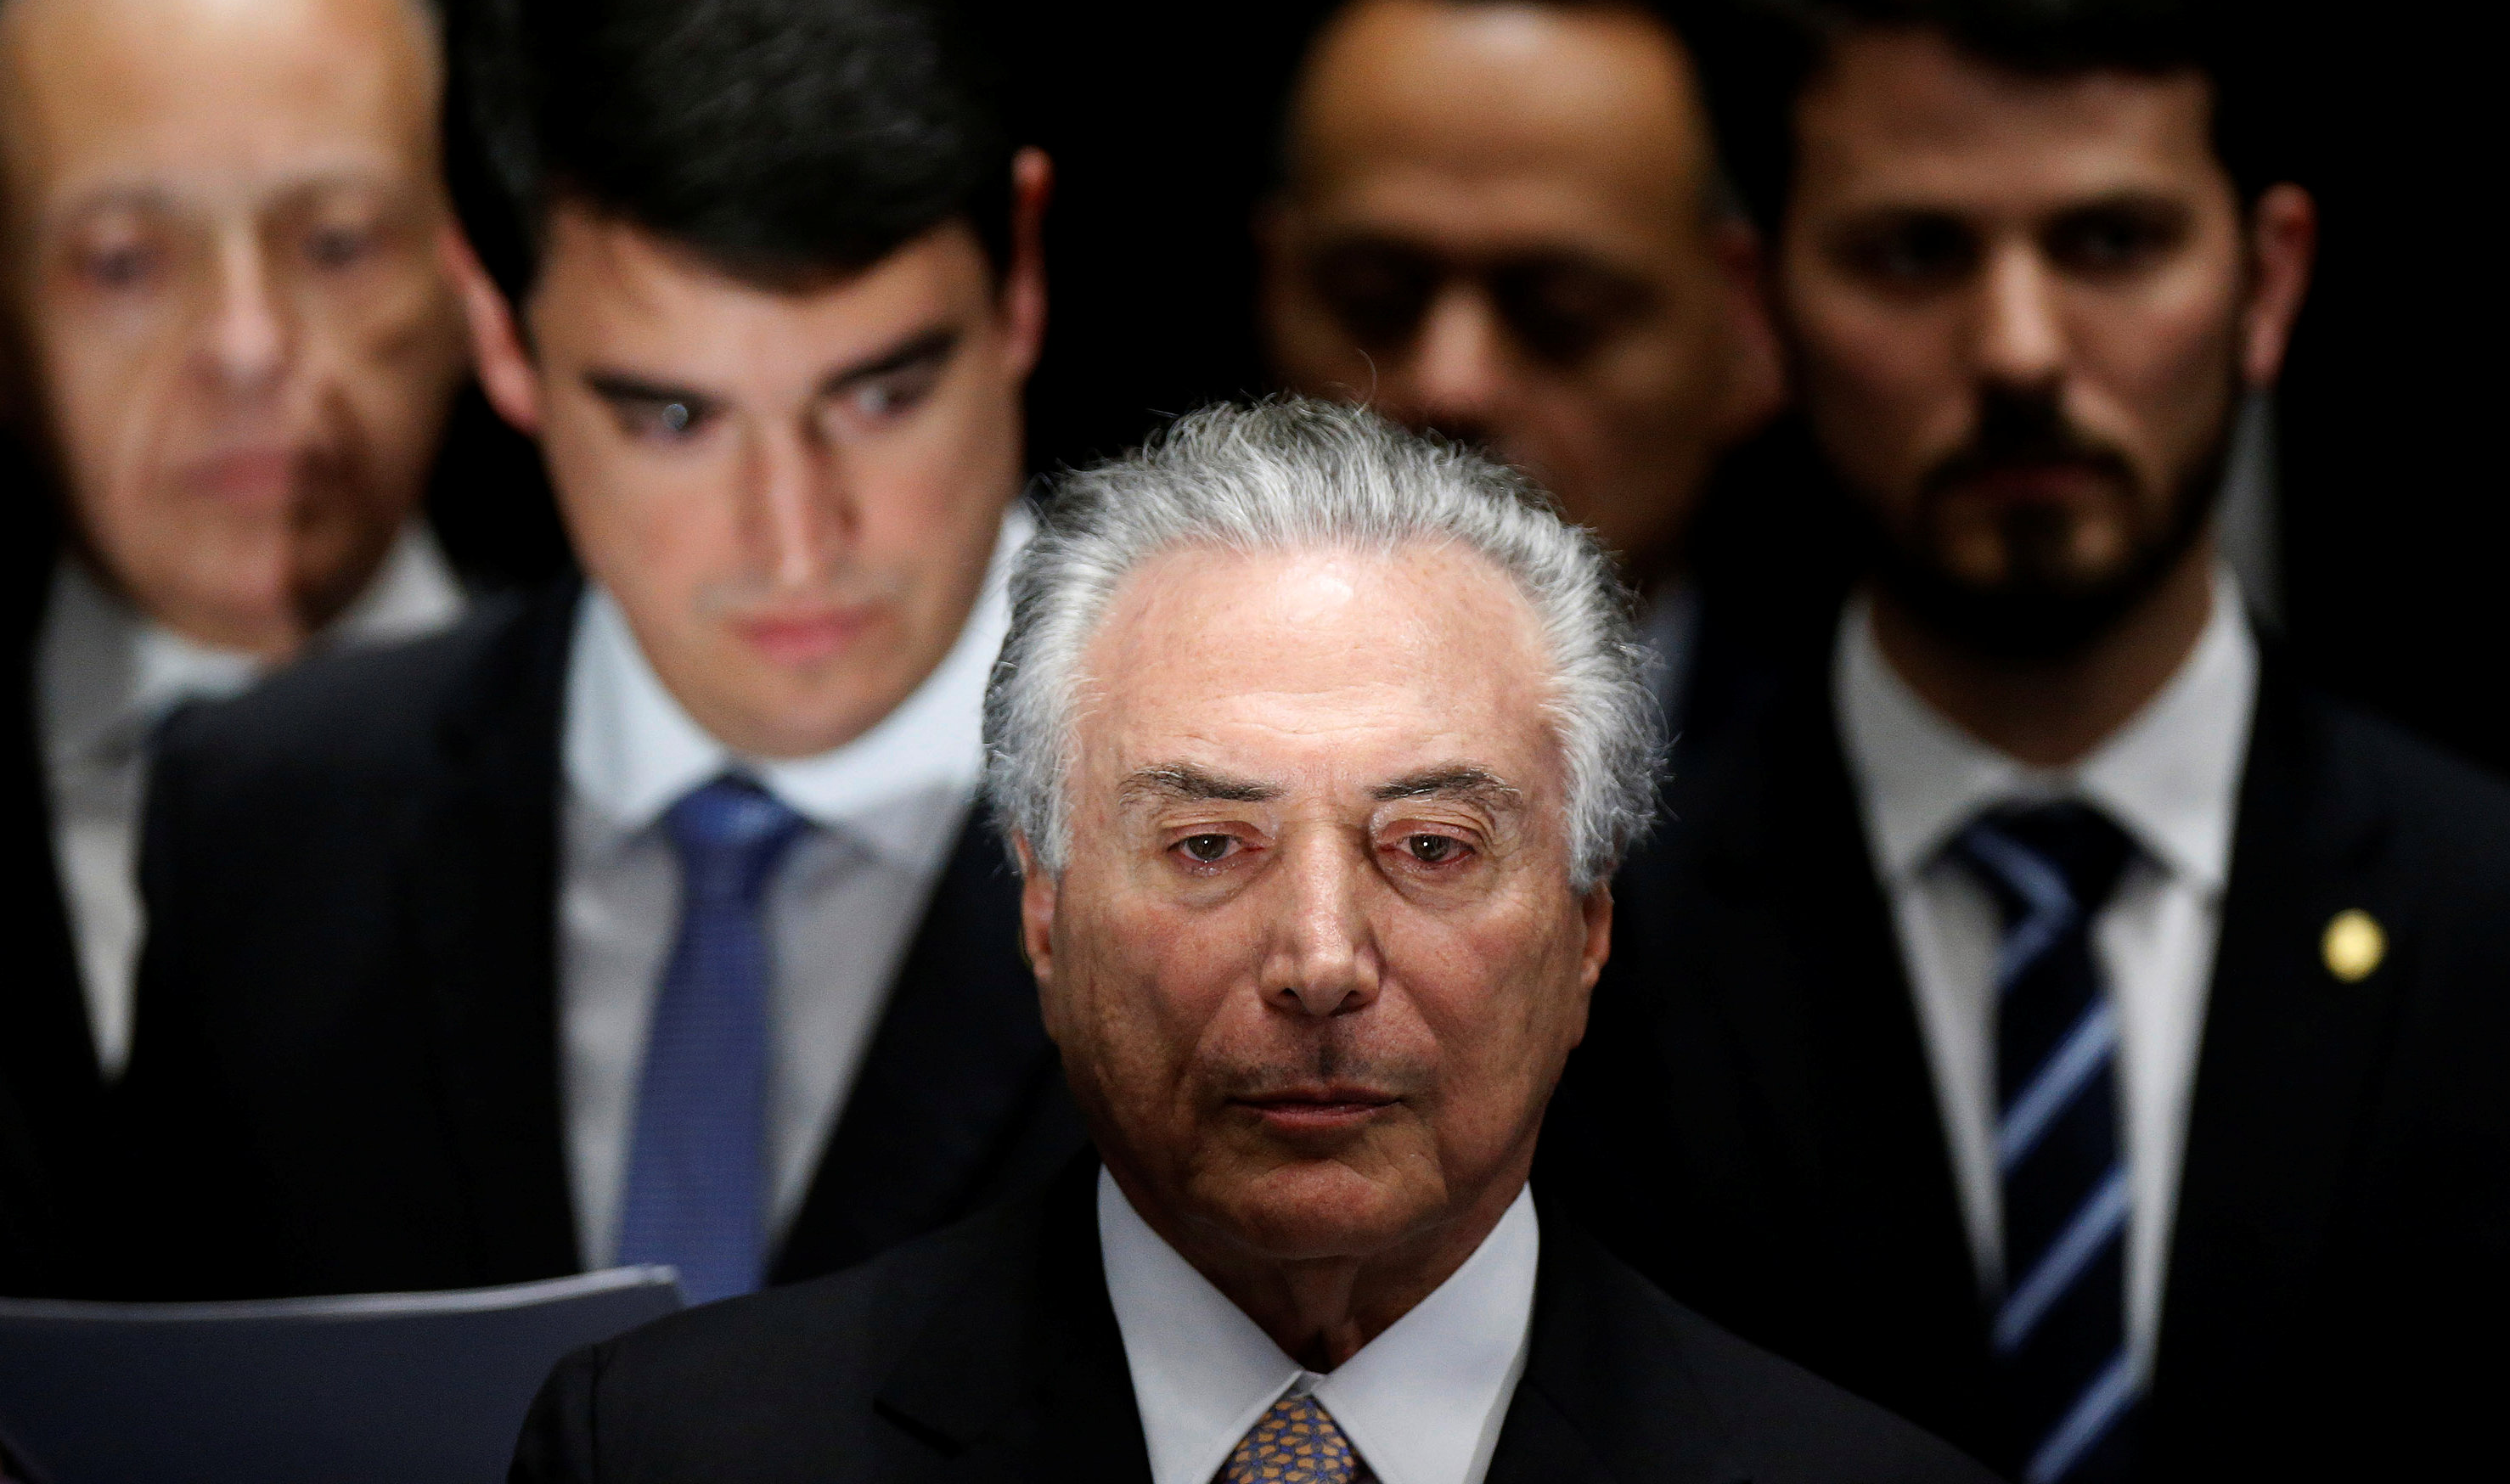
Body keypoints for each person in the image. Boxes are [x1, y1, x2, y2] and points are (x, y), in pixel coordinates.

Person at [508, 398, 1995, 1483]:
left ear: (1589, 925)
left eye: (1430, 847)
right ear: (1041, 904)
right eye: (1210, 845)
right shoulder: (672, 1450)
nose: (1322, 958)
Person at [1539, 0, 2509, 1480]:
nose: (2018, 351)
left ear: (2267, 281)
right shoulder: (1579, 957)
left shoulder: (2487, 923)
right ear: (1756, 303)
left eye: (2112, 242)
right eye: (1914, 253)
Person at [115, 0, 1078, 1303]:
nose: (797, 535)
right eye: (674, 416)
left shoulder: (1303, 843)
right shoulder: (262, 834)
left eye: (881, 393)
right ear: (496, 336)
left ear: (1017, 273)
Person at [0, 0, 470, 1279]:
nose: (252, 344)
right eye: (125, 261)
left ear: (470, 281)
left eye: (336, 241)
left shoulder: (696, 687)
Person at [1259, 0, 1782, 739]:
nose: (1451, 383)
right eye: (1375, 301)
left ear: (1745, 330)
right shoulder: (1078, 780)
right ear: (1275, 284)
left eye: (1561, 315)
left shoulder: (1863, 806)